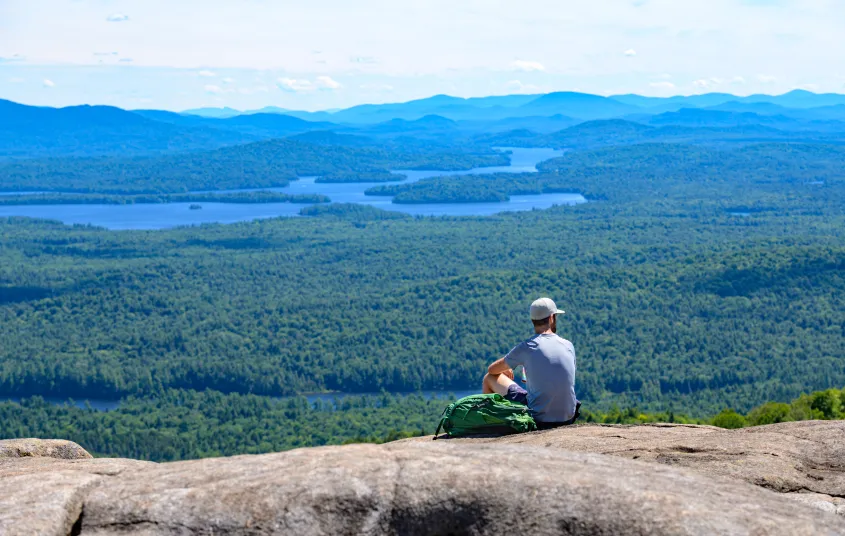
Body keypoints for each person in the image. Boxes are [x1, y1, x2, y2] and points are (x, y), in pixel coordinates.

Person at [482, 297, 579, 428]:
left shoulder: (527, 347)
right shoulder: (568, 345)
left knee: (489, 378)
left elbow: (492, 370)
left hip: (539, 419)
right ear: (551, 318)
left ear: (533, 320)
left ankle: (490, 425)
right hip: (568, 417)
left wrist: (506, 368)